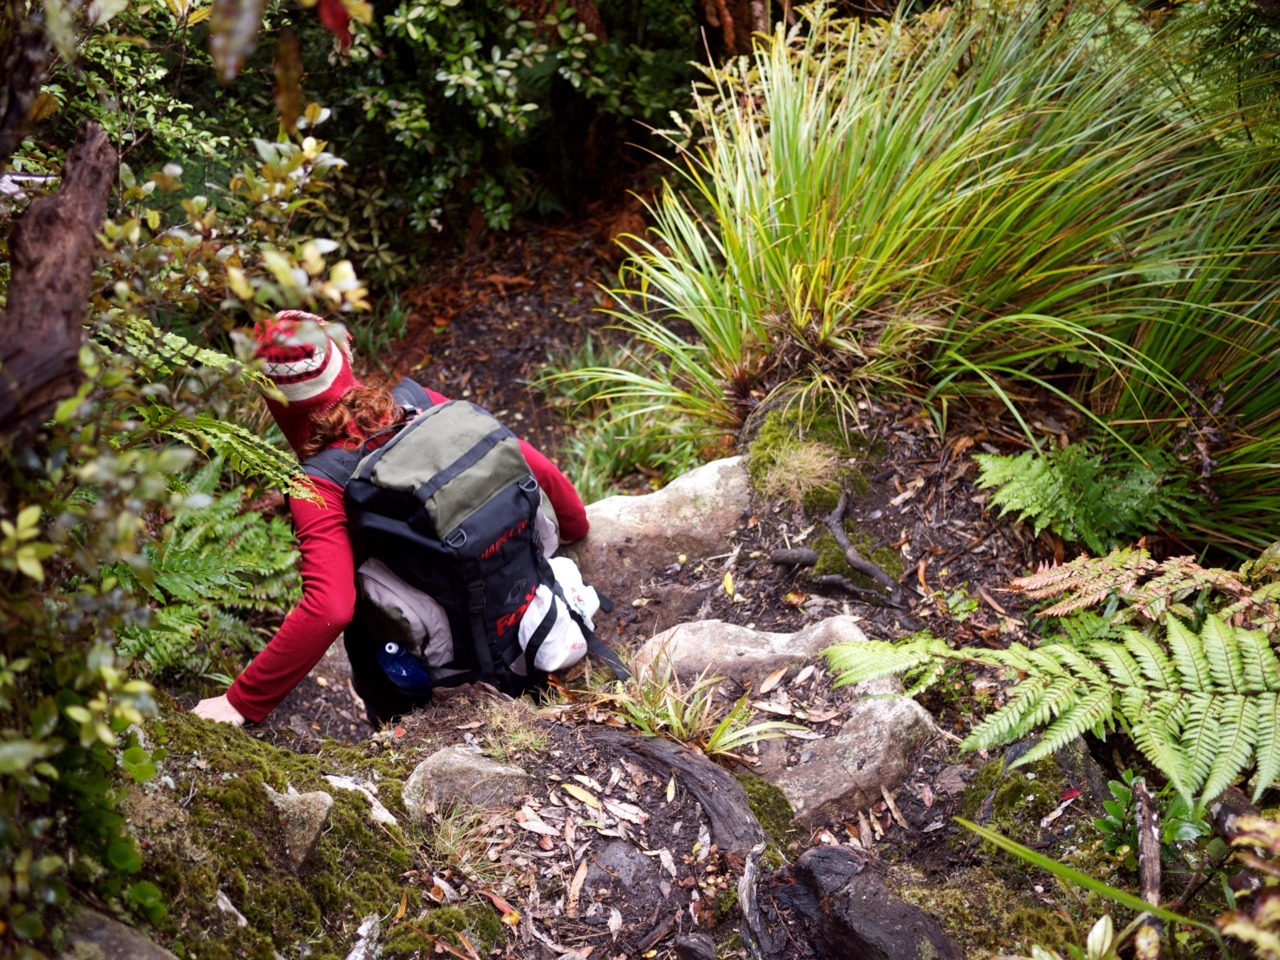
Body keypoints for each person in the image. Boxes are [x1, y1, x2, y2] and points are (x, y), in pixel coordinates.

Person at [192, 310, 589, 727]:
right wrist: (576, 526)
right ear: (344, 357)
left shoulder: (319, 484)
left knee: (373, 643)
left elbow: (329, 607)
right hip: (525, 615)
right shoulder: (419, 405)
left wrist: (241, 702)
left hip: (432, 671)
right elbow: (526, 460)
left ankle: (395, 730)